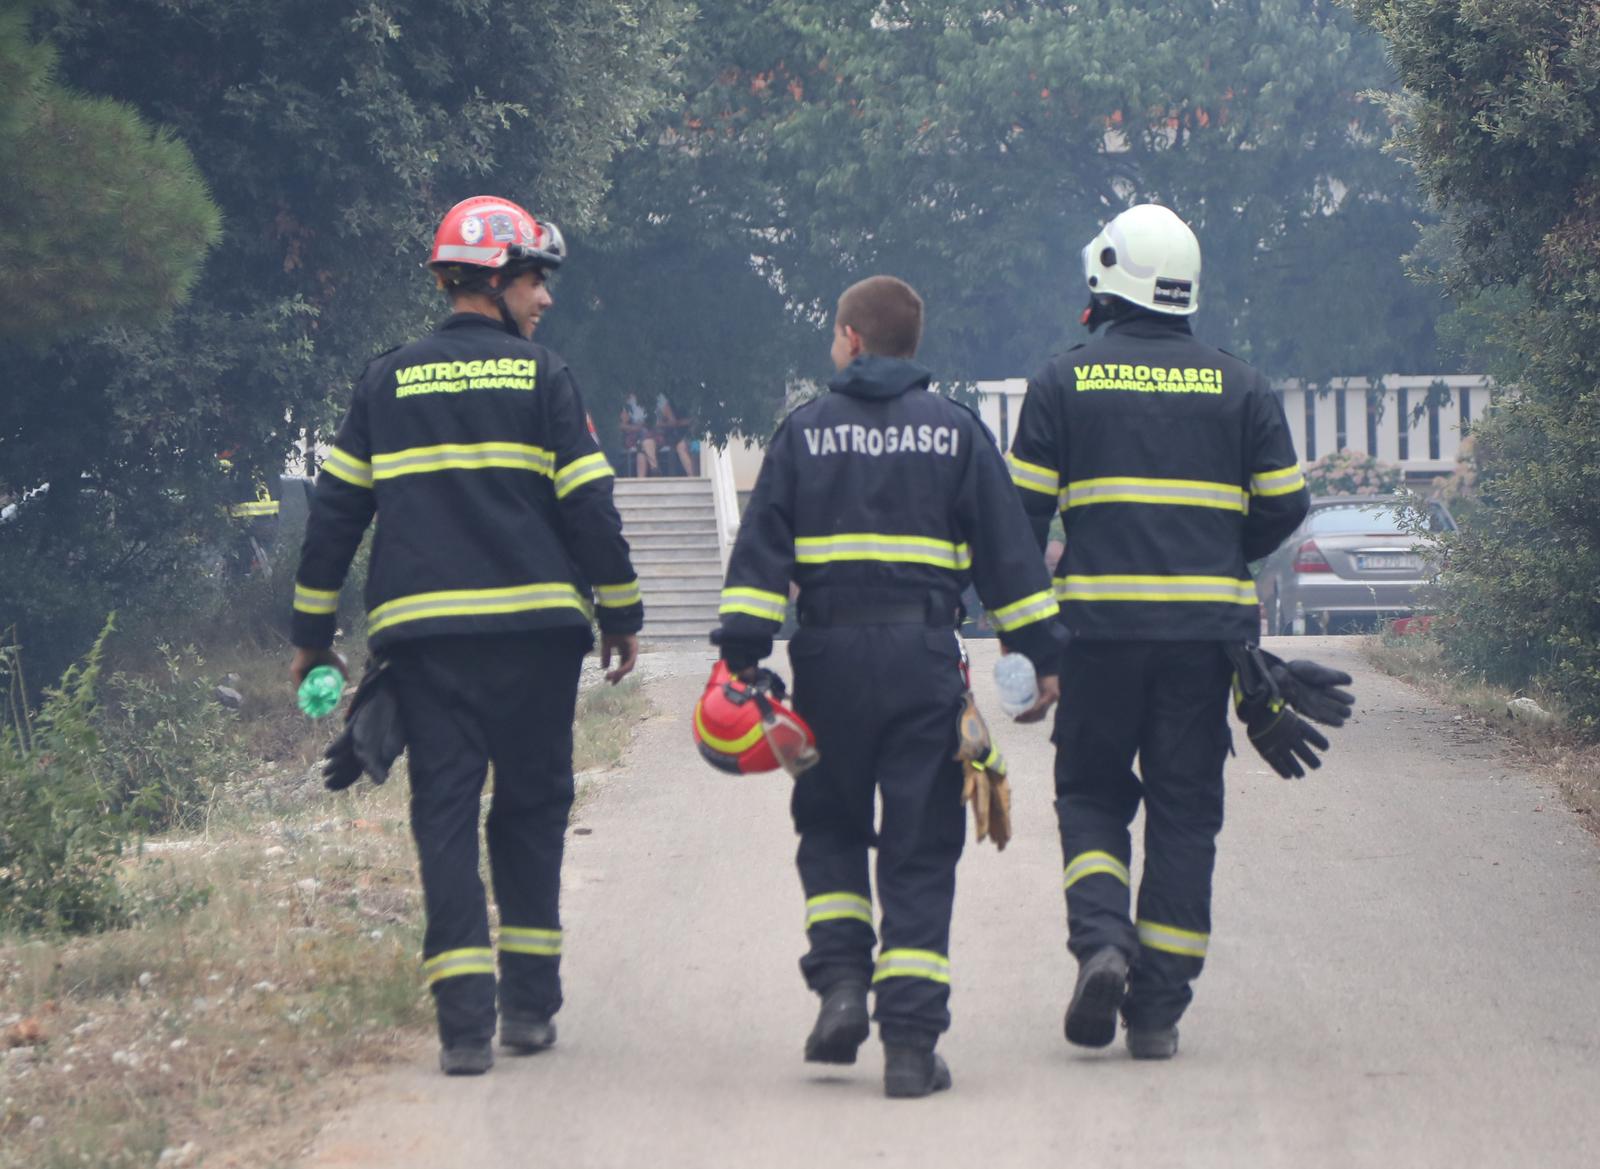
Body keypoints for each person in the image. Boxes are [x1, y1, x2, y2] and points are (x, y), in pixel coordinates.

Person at [288, 195, 643, 1076]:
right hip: (535, 638)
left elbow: (334, 517)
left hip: (427, 644)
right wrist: (621, 610)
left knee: (442, 814)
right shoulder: (544, 377)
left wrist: (311, 634)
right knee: (532, 809)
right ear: (495, 279)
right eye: (535, 280)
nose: (545, 298)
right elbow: (590, 505)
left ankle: (461, 1027)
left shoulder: (385, 381)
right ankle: (527, 1006)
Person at [712, 275, 1066, 1099]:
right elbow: (1010, 559)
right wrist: (1041, 654)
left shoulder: (803, 432)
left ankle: (841, 984)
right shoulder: (958, 432)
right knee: (920, 844)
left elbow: (759, 559)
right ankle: (908, 1045)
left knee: (830, 822)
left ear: (852, 339)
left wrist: (742, 656)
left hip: (827, 664)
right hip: (923, 662)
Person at [1006, 204, 1310, 1061]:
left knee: (1091, 794)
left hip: (1095, 638)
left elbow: (1019, 518)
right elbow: (1286, 502)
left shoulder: (1062, 382)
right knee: (1184, 814)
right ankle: (1156, 1012)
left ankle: (1103, 941)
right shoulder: (1241, 385)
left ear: (1108, 279)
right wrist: (1224, 549)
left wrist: (1026, 636)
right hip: (1202, 647)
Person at [654, 392, 697, 476]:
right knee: (674, 449)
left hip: (693, 435)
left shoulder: (693, 400)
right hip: (675, 436)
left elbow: (694, 421)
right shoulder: (672, 402)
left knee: (681, 447)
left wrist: (676, 423)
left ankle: (692, 476)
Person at [619, 393, 658, 477]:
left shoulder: (649, 402)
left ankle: (642, 478)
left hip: (645, 437)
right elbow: (622, 425)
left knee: (642, 446)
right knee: (644, 436)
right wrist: (636, 427)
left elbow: (653, 423)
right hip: (632, 436)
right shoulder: (625, 403)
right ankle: (654, 468)